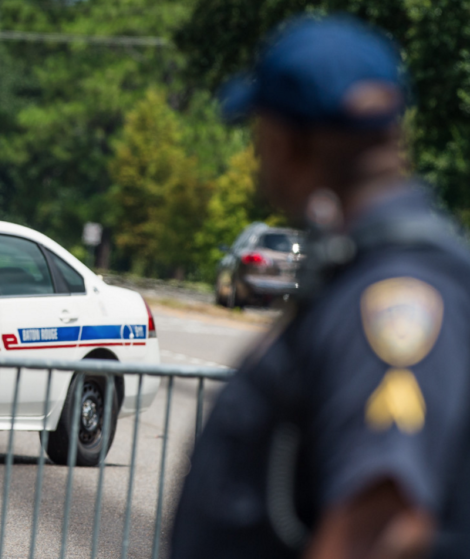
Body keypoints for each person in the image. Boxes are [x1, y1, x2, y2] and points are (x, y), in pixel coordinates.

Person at [170, 16, 470, 559]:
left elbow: (379, 530)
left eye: (258, 130)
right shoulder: (361, 269)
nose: (258, 152)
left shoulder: (397, 292)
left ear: (286, 141)